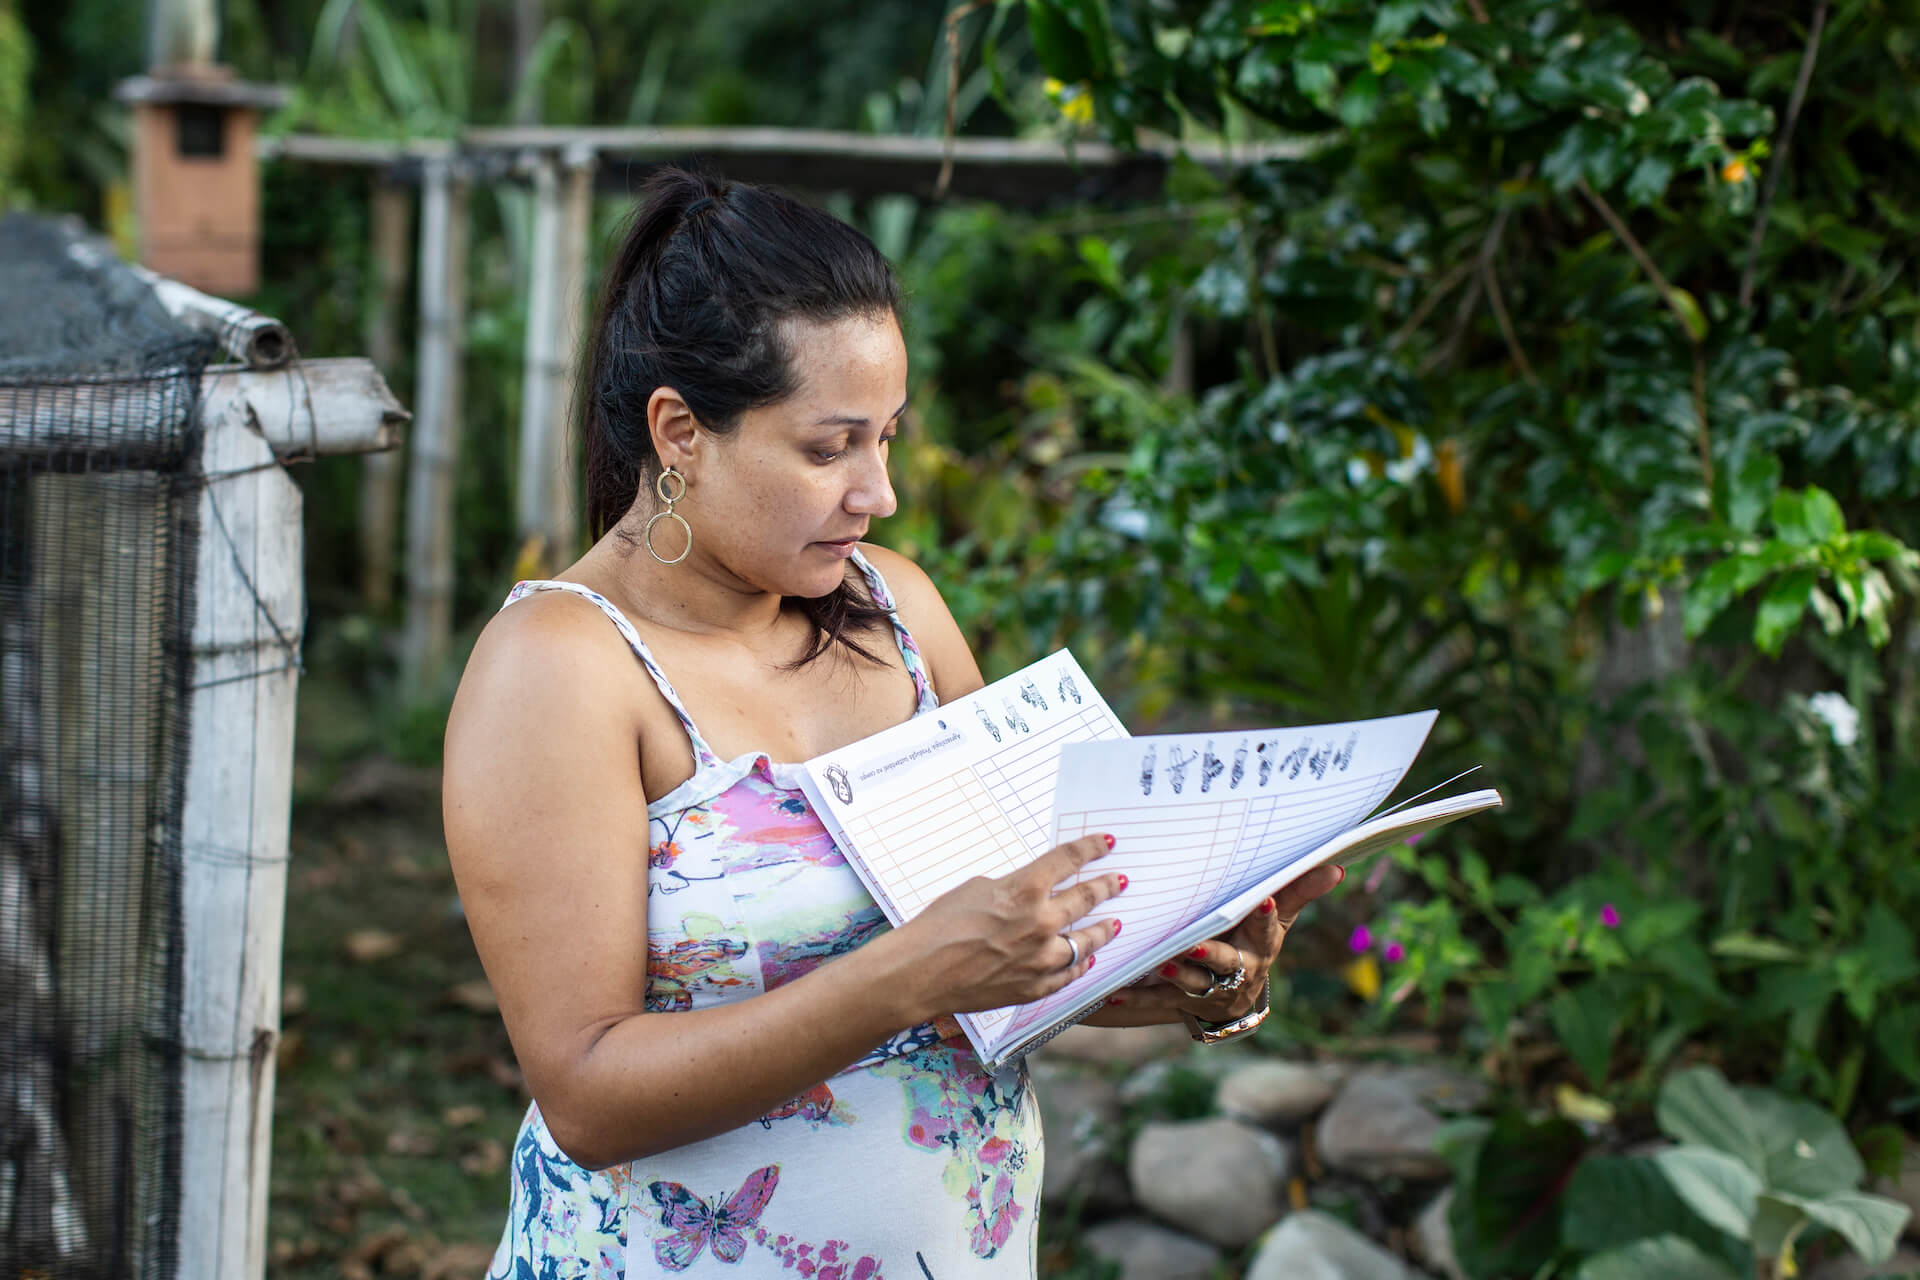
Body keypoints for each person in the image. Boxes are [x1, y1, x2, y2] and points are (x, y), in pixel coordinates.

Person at [442, 167, 1343, 1278]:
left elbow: (991, 966)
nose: (879, 492)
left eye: (888, 438)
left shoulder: (897, 610)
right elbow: (586, 1091)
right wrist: (907, 973)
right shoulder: (561, 669)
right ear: (679, 430)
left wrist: (1196, 970)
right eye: (830, 447)